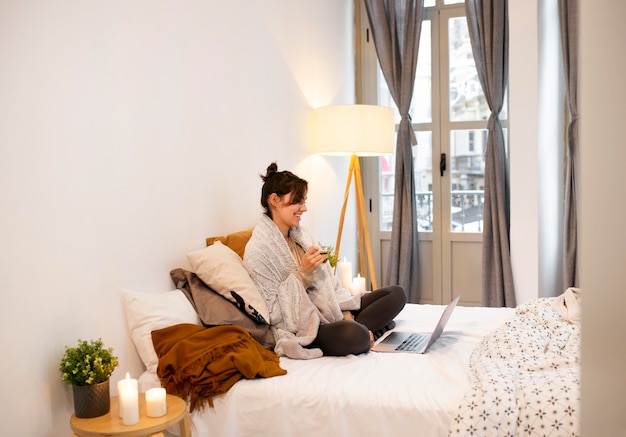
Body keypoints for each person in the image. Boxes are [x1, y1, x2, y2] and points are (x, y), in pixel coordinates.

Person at [244, 162, 406, 359]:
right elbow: (273, 313)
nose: (304, 208)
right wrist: (302, 275)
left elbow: (329, 282)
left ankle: (362, 330)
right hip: (307, 325)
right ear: (274, 200)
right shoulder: (258, 250)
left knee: (396, 294)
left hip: (330, 309)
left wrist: (346, 314)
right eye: (298, 202)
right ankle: (366, 332)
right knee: (353, 335)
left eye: (304, 201)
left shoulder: (301, 236)